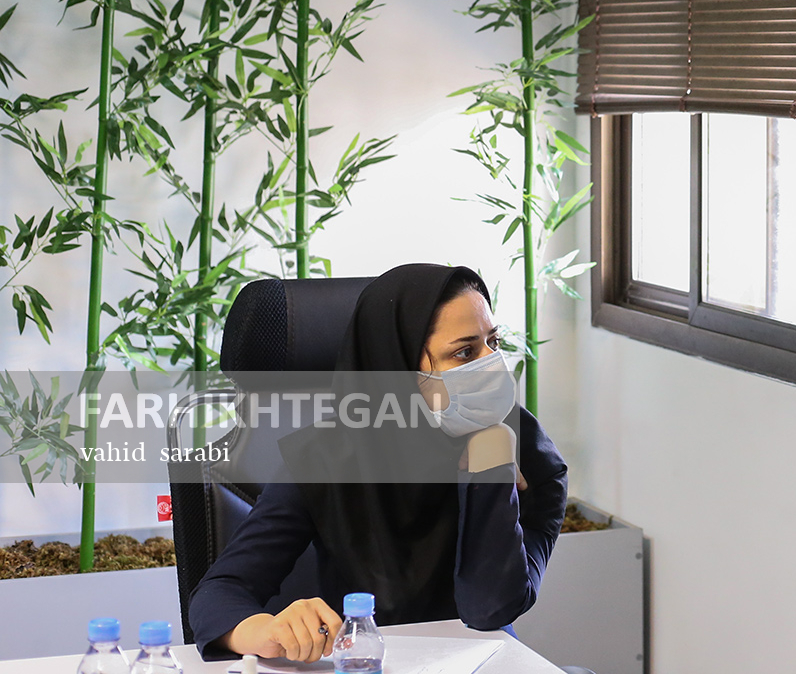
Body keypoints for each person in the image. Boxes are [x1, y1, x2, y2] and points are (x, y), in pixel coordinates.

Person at [189, 264, 567, 663]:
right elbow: (219, 593)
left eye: (493, 342)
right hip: (358, 665)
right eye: (464, 352)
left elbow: (489, 608)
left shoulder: (533, 459)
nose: (492, 364)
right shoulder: (327, 458)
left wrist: (490, 468)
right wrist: (262, 630)